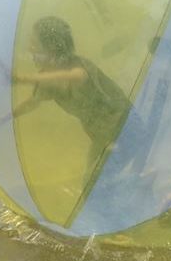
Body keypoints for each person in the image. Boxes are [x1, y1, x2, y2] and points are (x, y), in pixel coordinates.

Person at [9, 16, 131, 176]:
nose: (30, 49)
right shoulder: (47, 78)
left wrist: (24, 79)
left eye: (34, 44)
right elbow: (32, 102)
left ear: (51, 47)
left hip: (126, 128)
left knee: (99, 184)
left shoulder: (78, 65)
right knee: (90, 180)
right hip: (102, 136)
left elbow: (75, 76)